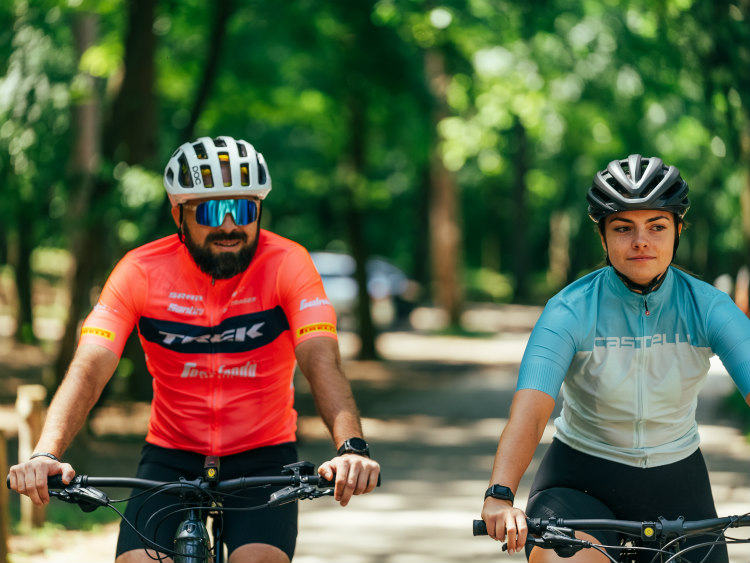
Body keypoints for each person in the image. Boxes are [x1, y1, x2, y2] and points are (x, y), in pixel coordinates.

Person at [7, 136, 381, 563]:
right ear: (178, 215)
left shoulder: (287, 263)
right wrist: (46, 452)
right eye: (209, 210)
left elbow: (321, 357)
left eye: (242, 209)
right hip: (171, 452)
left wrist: (351, 447)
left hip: (262, 453)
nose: (228, 226)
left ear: (258, 211)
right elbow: (90, 365)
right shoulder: (140, 271)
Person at [480, 154, 750, 562]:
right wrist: (499, 495)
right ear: (603, 237)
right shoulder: (569, 310)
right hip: (581, 483)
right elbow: (531, 411)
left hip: (678, 482)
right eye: (623, 228)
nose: (641, 240)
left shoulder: (709, 307)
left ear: (678, 231)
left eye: (656, 226)